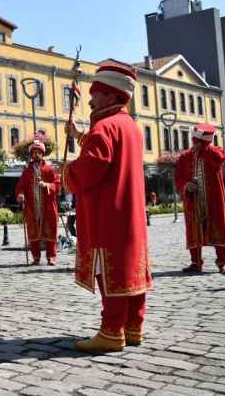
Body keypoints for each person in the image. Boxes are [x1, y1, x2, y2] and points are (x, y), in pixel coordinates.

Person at [63, 62, 152, 353]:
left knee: (110, 271)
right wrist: (79, 136)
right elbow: (106, 149)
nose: (90, 99)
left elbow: (91, 169)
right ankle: (133, 327)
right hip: (130, 215)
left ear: (113, 96)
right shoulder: (130, 127)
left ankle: (112, 331)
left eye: (97, 94)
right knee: (132, 270)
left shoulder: (103, 127)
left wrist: (67, 173)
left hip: (107, 216)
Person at [175, 124, 225, 275]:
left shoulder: (214, 153)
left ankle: (223, 263)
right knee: (194, 230)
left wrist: (205, 148)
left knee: (218, 227)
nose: (197, 144)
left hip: (213, 201)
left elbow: (220, 158)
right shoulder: (185, 157)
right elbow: (178, 177)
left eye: (200, 141)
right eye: (196, 141)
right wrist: (186, 185)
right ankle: (196, 262)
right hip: (194, 202)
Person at [15, 138, 60, 266]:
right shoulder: (27, 171)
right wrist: (20, 194)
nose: (36, 155)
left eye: (39, 152)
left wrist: (47, 185)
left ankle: (51, 256)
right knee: (33, 232)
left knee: (50, 231)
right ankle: (36, 257)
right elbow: (20, 186)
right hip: (32, 207)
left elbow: (57, 185)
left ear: (42, 154)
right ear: (31, 154)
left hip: (48, 206)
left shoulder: (50, 169)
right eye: (34, 152)